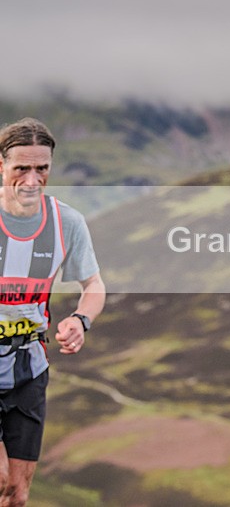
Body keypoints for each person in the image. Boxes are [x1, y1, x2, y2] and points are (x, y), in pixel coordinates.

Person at [0, 118, 105, 506]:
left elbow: (94, 285)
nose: (32, 181)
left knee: (17, 493)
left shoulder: (67, 222)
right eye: (21, 169)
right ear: (1, 165)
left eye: (41, 169)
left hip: (29, 370)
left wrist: (80, 319)